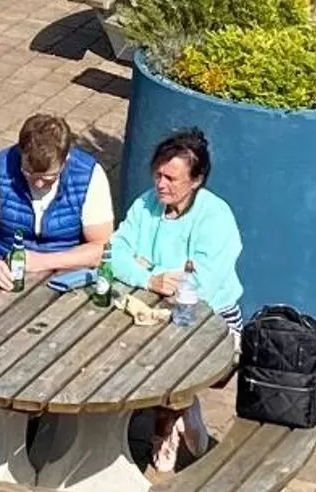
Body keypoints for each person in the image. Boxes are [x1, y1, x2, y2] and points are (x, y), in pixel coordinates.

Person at [101, 129, 243, 474]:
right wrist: (149, 277)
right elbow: (114, 252)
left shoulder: (216, 218)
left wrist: (145, 265)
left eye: (171, 178)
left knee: (163, 364)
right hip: (150, 305)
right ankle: (178, 408)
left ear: (196, 181)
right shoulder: (146, 204)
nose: (160, 184)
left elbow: (201, 285)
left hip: (213, 318)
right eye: (158, 174)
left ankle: (166, 424)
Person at [0, 114, 115, 291]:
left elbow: (101, 248)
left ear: (65, 161)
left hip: (67, 279)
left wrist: (41, 261)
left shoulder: (89, 176)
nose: (39, 183)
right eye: (29, 173)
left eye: (48, 177)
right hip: (5, 275)